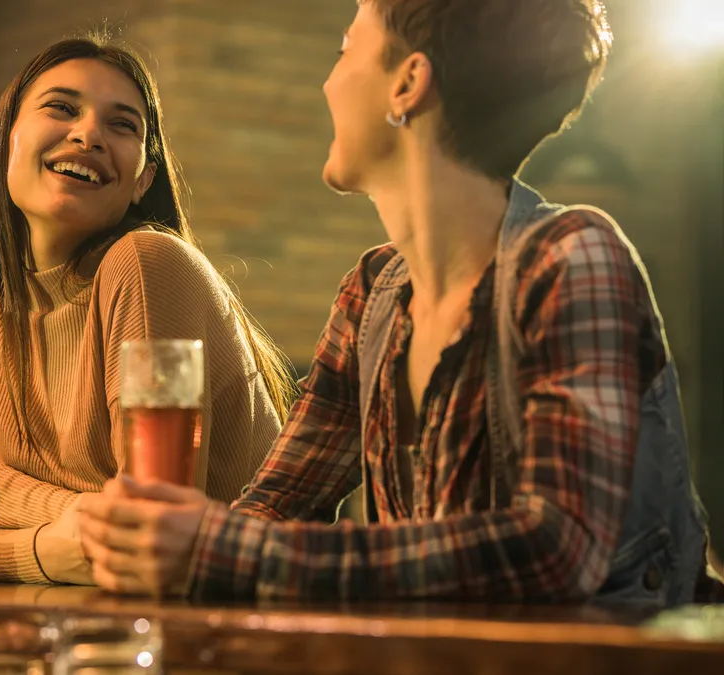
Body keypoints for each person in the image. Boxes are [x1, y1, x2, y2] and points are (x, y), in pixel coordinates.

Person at [80, 0, 719, 606]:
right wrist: (172, 553)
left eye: (345, 49)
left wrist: (226, 552)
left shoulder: (569, 256)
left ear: (408, 84)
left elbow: (558, 548)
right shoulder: (373, 290)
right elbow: (273, 505)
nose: (328, 85)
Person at [0, 35, 297, 584]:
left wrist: (11, 518)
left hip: (224, 620)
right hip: (84, 616)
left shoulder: (145, 262)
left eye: (122, 125)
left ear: (143, 179)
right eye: (62, 108)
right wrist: (52, 542)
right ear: (5, 142)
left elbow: (145, 534)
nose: (88, 134)